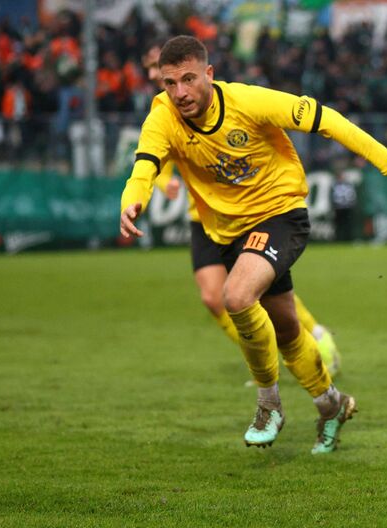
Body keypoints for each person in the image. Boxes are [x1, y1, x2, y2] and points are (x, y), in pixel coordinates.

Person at [120, 36, 387, 453]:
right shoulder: (162, 116)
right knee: (286, 329)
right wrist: (132, 199)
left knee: (237, 296)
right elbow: (145, 165)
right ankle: (332, 404)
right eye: (170, 82)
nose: (180, 93)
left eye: (189, 79)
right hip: (228, 231)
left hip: (280, 214)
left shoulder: (250, 101)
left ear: (209, 74)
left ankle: (269, 403)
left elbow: (326, 119)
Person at [141, 46, 341, 381]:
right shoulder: (164, 108)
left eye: (152, 67)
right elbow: (153, 157)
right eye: (150, 70)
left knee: (259, 292)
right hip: (201, 215)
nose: (150, 75)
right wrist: (163, 184)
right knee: (214, 297)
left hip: (245, 211)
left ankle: (316, 337)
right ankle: (264, 361)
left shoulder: (215, 100)